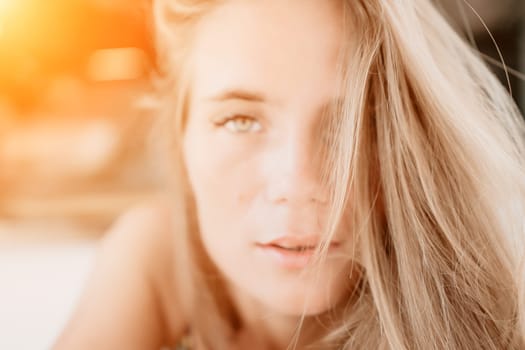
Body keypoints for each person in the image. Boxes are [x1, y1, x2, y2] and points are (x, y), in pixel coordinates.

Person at [54, 0, 525, 349]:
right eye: (240, 121)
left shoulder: (490, 299)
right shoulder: (158, 250)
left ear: (411, 146)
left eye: (349, 125)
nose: (297, 185)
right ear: (181, 138)